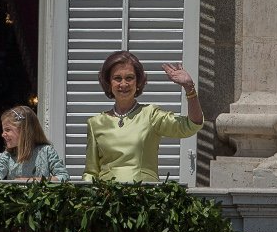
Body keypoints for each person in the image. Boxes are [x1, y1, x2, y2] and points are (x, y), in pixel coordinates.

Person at [83, 50, 203, 182]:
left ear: (138, 82)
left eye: (129, 78)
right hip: (107, 199)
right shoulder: (95, 123)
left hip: (145, 198)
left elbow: (192, 125)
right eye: (117, 78)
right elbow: (91, 173)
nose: (124, 84)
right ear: (108, 83)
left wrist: (189, 88)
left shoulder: (150, 115)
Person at [0, 106, 69, 181]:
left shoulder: (46, 151)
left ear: (24, 130)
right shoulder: (8, 155)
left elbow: (64, 176)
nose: (3, 135)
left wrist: (32, 181)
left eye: (7, 130)